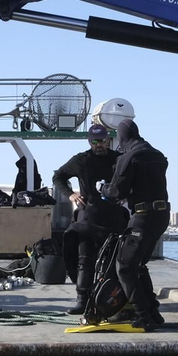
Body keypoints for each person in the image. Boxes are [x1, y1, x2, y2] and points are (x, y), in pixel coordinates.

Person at [52, 124, 126, 314]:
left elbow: (133, 180)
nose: (98, 145)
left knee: (111, 262)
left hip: (113, 218)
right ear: (89, 142)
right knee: (85, 260)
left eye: (101, 141)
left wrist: (126, 195)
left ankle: (109, 298)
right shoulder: (81, 160)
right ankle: (82, 300)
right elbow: (58, 176)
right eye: (94, 142)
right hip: (88, 218)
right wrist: (70, 195)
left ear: (108, 140)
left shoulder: (118, 160)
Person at [107, 119, 170, 331]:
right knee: (138, 265)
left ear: (122, 137)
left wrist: (104, 189)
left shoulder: (129, 156)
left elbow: (118, 191)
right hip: (162, 215)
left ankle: (143, 315)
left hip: (143, 215)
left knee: (125, 266)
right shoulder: (157, 155)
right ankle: (153, 312)